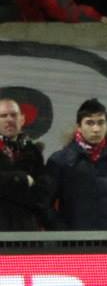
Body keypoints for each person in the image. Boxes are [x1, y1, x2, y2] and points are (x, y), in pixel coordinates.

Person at [44, 99, 107, 230]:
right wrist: (63, 235)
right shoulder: (59, 161)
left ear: (106, 125)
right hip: (72, 241)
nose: (96, 129)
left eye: (101, 123)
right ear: (79, 126)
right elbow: (44, 204)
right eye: (89, 123)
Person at [0, 96, 50, 231]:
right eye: (3, 116)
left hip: (26, 229)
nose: (9, 119)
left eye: (13, 115)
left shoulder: (33, 151)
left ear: (22, 119)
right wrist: (22, 179)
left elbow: (41, 192)